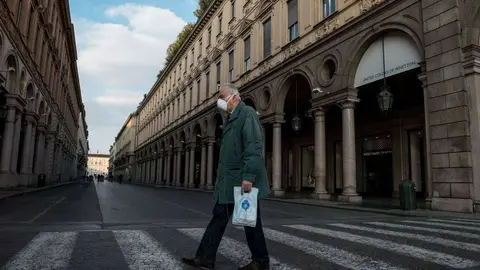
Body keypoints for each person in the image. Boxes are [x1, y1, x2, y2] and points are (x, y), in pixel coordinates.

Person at [182, 84, 271, 270]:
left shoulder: (247, 114)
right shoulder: (232, 118)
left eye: (222, 97)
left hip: (241, 180)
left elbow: (253, 147)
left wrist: (249, 177)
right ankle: (205, 257)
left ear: (234, 96)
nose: (220, 101)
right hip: (230, 181)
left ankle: (261, 261)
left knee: (250, 221)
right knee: (220, 217)